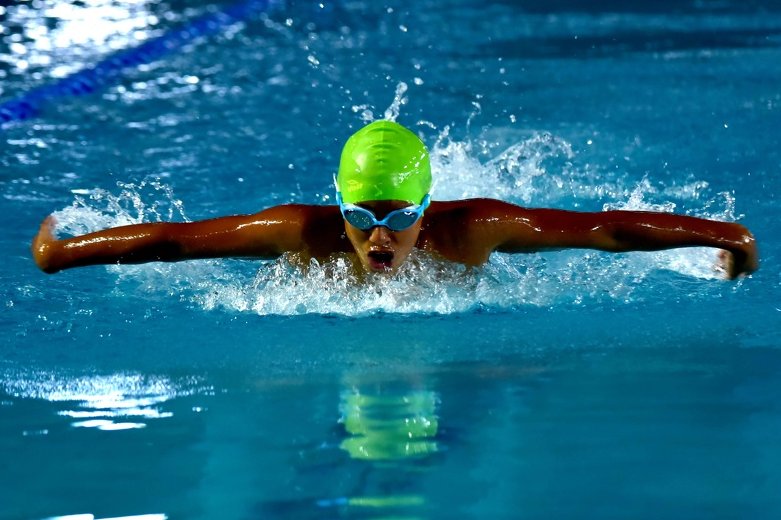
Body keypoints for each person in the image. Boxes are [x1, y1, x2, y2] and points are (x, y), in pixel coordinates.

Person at [32, 120, 758, 279]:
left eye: (398, 218)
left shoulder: (474, 228)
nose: (378, 236)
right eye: (361, 217)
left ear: (425, 209)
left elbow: (601, 231)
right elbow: (176, 241)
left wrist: (721, 233)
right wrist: (61, 253)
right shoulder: (300, 232)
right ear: (338, 206)